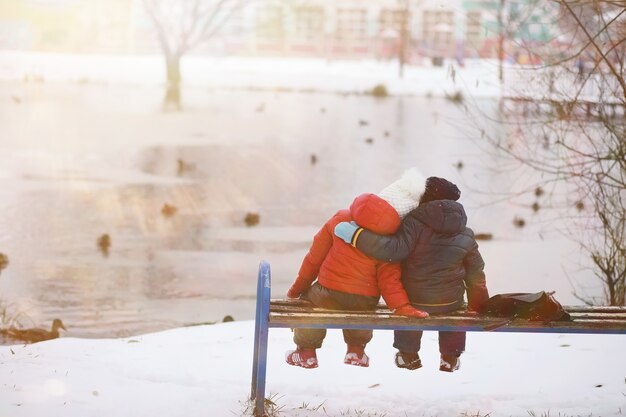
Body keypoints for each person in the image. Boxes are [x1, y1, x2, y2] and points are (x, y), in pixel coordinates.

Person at [334, 175, 489, 372]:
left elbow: (392, 250)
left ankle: (408, 355)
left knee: (409, 305)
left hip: (415, 301)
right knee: (454, 310)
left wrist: (356, 235)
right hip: (450, 301)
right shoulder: (465, 232)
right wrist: (479, 304)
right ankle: (450, 357)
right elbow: (476, 273)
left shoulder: (413, 224)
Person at [286, 168, 429, 369]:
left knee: (311, 304)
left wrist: (297, 288)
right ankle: (356, 350)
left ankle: (307, 353)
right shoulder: (389, 242)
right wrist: (401, 306)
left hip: (327, 292)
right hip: (363, 298)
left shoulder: (341, 218)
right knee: (364, 306)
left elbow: (313, 259)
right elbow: (389, 281)